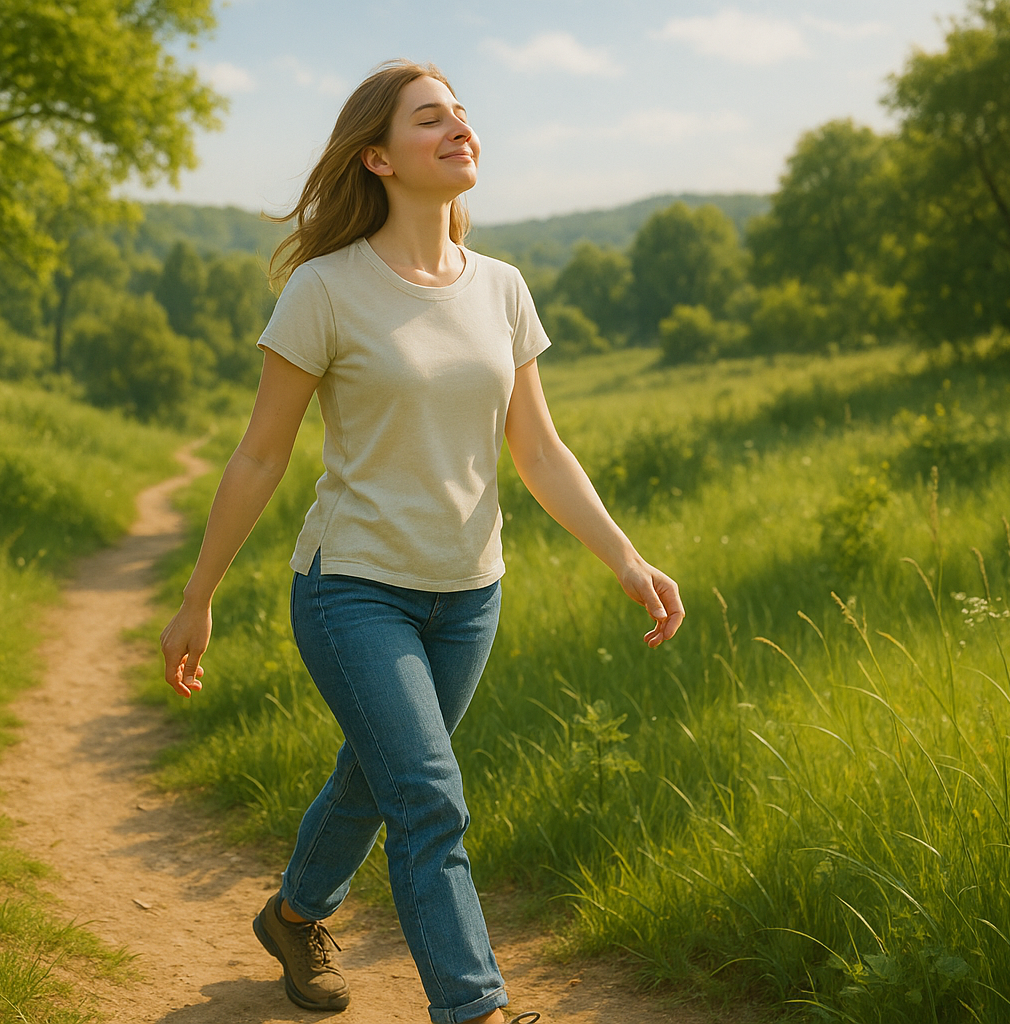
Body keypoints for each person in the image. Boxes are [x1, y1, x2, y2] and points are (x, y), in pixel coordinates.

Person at [158, 58, 685, 1024]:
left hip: (469, 593)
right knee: (429, 797)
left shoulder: (502, 289)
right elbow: (259, 457)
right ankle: (474, 1007)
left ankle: (293, 913)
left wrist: (624, 553)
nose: (459, 129)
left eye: (463, 116)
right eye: (430, 119)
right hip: (352, 587)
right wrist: (199, 595)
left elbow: (538, 448)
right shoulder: (325, 290)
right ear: (379, 157)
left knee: (379, 779)